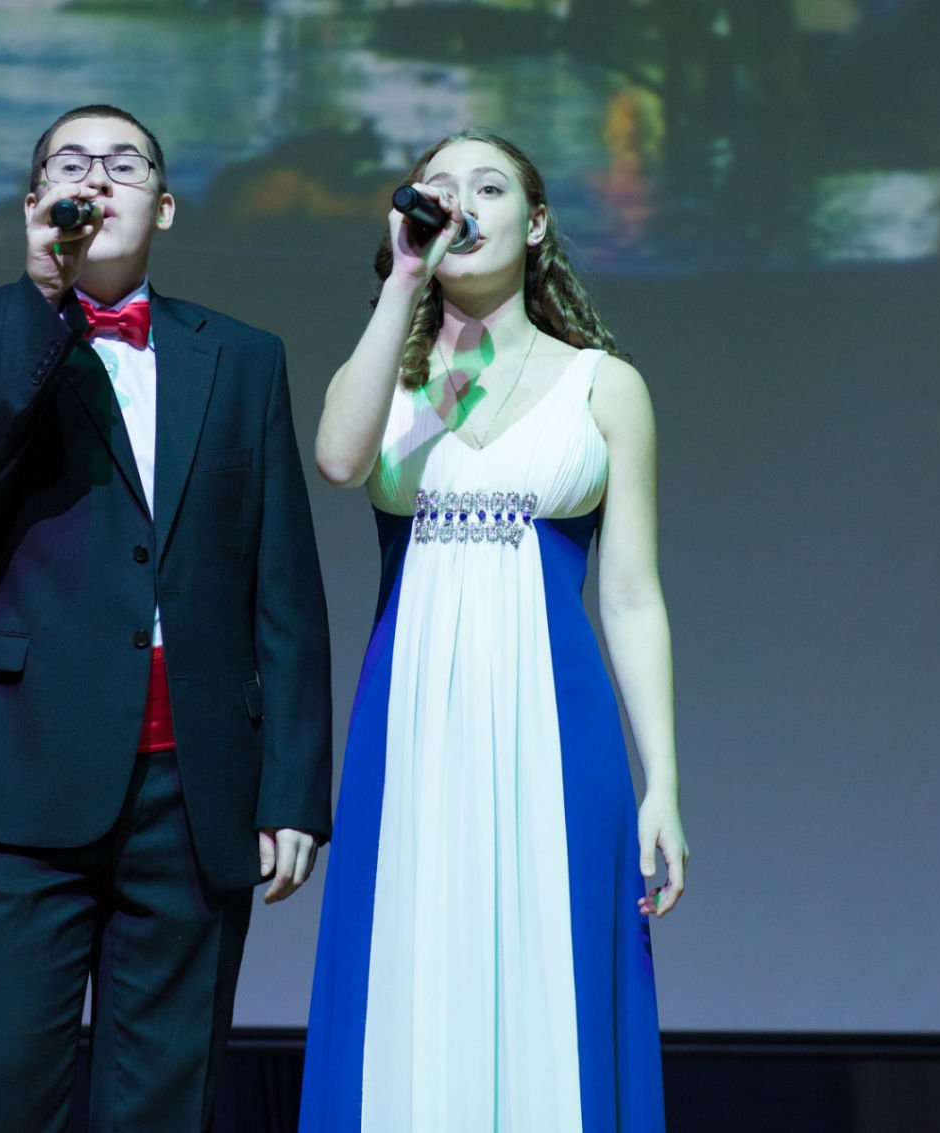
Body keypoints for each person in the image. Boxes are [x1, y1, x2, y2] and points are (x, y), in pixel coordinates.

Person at [0, 104, 332, 1133]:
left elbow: (281, 579)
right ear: (34, 201)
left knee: (163, 1099)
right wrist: (42, 298)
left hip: (196, 784)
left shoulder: (241, 355)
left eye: (123, 164)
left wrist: (294, 786)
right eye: (71, 164)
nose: (96, 178)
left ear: (164, 207)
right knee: (9, 1082)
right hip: (19, 771)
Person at [300, 130, 689, 1132]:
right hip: (410, 728)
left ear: (537, 221)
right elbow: (337, 459)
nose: (462, 205)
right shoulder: (387, 373)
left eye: (489, 187)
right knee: (408, 983)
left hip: (557, 731)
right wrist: (403, 281)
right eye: (438, 190)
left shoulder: (604, 385)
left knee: (554, 989)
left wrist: (662, 782)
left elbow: (631, 596)